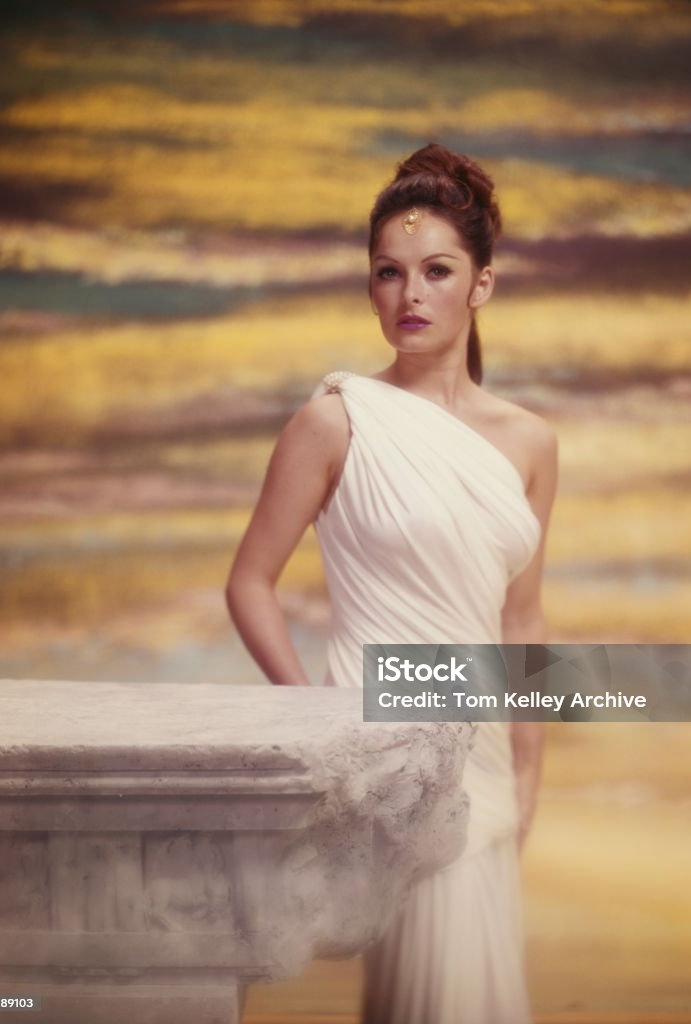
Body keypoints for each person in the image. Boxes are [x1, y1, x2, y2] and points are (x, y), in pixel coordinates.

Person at [226, 142, 557, 1024]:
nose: (410, 295)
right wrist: (317, 722)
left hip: (485, 759)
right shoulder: (336, 420)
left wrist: (528, 773)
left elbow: (519, 621)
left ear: (480, 284)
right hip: (383, 755)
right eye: (388, 272)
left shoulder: (529, 443)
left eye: (437, 270)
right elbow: (250, 581)